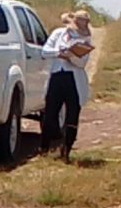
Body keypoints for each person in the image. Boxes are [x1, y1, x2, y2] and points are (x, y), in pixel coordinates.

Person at [40, 10, 94, 163]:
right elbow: (45, 51)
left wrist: (72, 56)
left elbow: (82, 62)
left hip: (74, 79)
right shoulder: (58, 34)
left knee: (72, 114)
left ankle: (66, 150)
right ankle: (44, 147)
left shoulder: (85, 40)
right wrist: (60, 53)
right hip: (57, 75)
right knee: (50, 112)